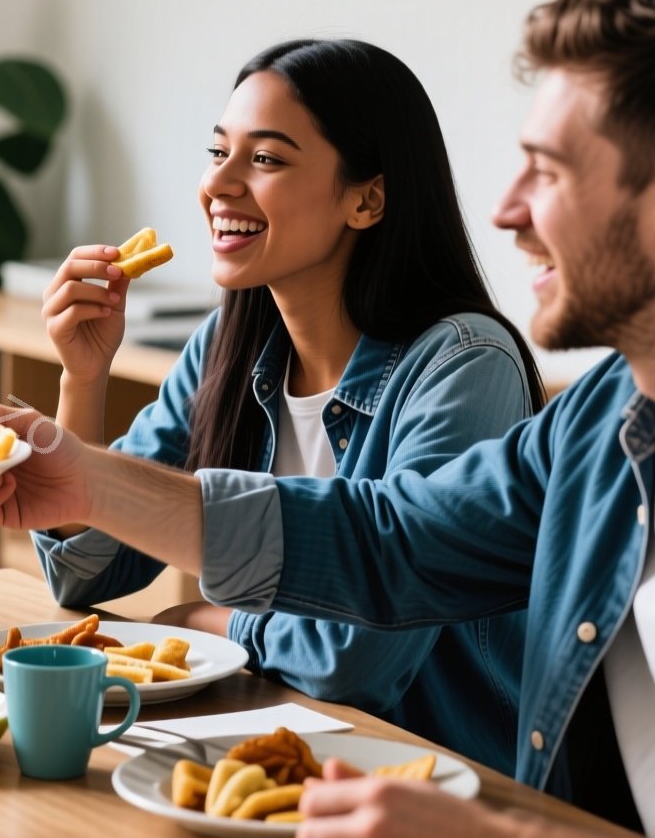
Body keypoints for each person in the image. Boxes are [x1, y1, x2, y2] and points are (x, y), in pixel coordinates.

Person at [0, 0, 655, 837]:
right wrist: (90, 483)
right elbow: (389, 539)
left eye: (546, 173)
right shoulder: (602, 423)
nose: (507, 210)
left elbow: (358, 650)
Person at [33, 39, 541, 775]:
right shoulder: (230, 345)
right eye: (218, 153)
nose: (220, 186)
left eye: (265, 160)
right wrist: (83, 379)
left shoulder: (464, 365)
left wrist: (205, 622)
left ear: (366, 199)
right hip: (281, 754)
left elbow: (356, 661)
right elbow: (83, 574)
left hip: (438, 783)